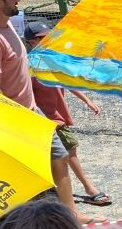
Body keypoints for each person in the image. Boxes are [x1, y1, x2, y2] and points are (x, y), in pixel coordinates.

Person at [0, 0, 85, 222]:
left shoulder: (7, 25)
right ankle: (53, 217)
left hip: (29, 111)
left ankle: (69, 213)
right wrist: (17, 120)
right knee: (44, 162)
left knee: (58, 157)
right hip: (15, 117)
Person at [24, 21, 111, 208]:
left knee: (57, 155)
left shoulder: (51, 60)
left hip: (58, 115)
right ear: (31, 41)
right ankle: (89, 188)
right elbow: (27, 93)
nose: (48, 40)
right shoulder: (29, 65)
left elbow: (67, 82)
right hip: (48, 118)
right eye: (42, 37)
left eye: (48, 36)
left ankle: (52, 193)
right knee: (69, 149)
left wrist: (87, 100)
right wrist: (42, 118)